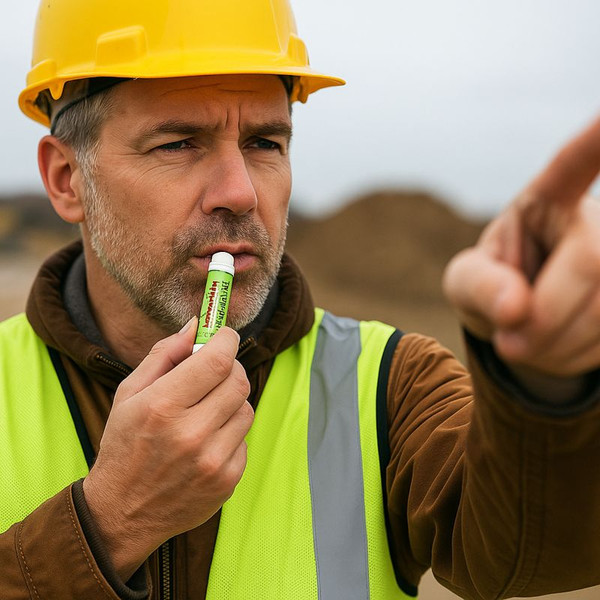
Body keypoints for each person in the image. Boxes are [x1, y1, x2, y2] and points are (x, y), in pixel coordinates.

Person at [1, 0, 600, 598]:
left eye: (265, 142)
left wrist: (549, 391)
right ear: (65, 179)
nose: (239, 192)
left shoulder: (389, 385)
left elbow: (538, 553)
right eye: (178, 144)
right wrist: (109, 523)